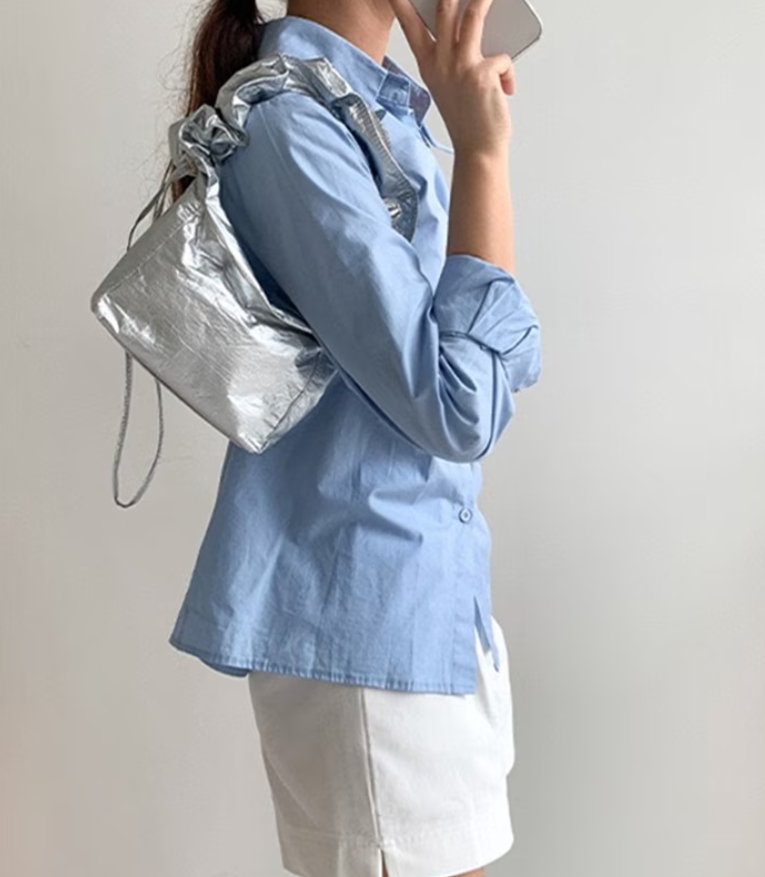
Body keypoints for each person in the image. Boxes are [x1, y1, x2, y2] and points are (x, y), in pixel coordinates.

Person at [167, 0, 543, 875]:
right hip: (366, 621)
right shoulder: (290, 128)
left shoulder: (370, 117)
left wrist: (472, 141)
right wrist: (483, 156)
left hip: (426, 603)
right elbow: (460, 406)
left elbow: (484, 379)